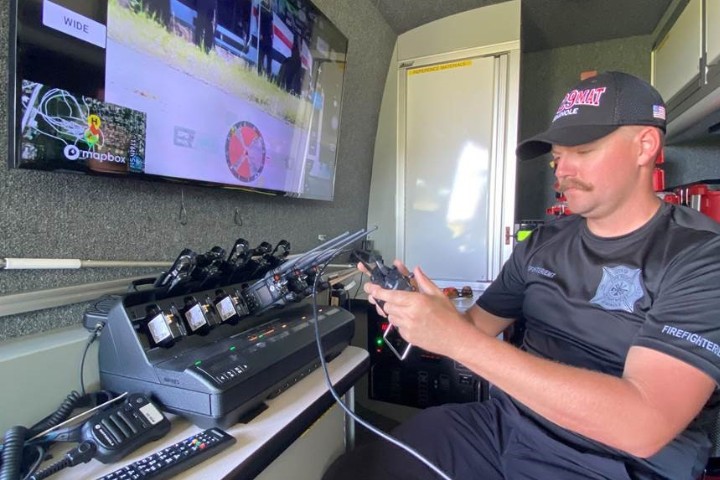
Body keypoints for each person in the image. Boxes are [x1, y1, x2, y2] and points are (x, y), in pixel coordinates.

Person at [323, 71, 720, 480]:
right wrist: (426, 315)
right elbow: (474, 330)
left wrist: (457, 339)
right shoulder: (541, 243)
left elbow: (644, 424)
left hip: (618, 463)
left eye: (582, 150)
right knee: (354, 472)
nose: (562, 170)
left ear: (645, 146)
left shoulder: (700, 255)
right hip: (506, 426)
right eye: (557, 155)